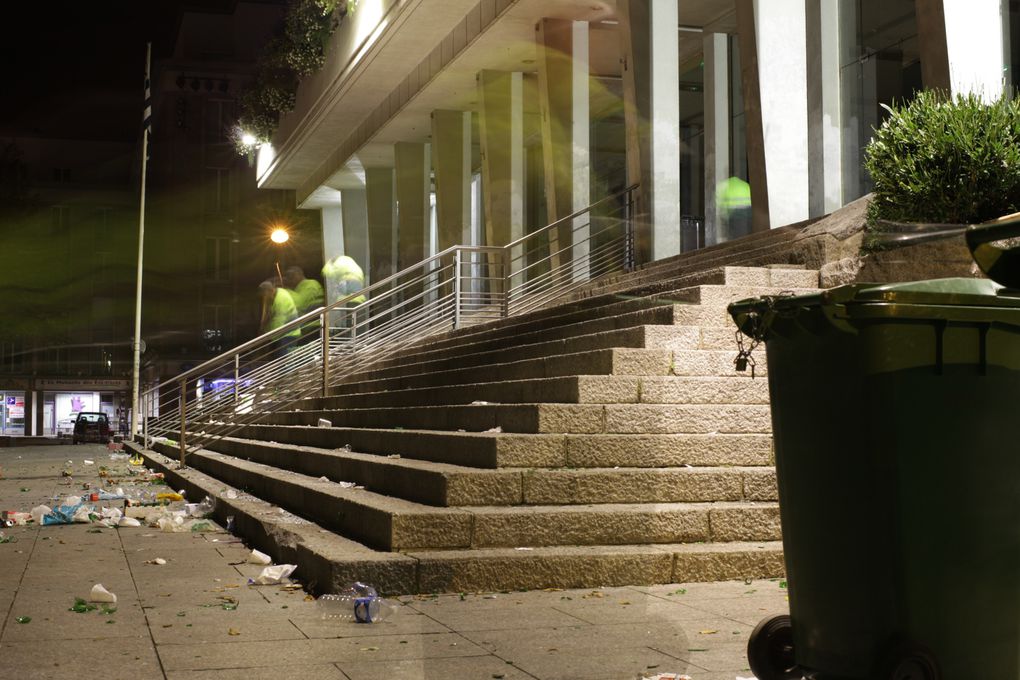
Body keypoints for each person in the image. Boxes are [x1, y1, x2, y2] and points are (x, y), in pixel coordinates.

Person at [258, 279, 300, 358]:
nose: (264, 297)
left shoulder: (280, 301)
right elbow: (271, 315)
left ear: (270, 290)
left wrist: (266, 337)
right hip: (283, 334)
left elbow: (278, 323)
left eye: (264, 295)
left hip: (289, 334)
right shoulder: (277, 293)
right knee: (279, 360)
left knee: (284, 362)